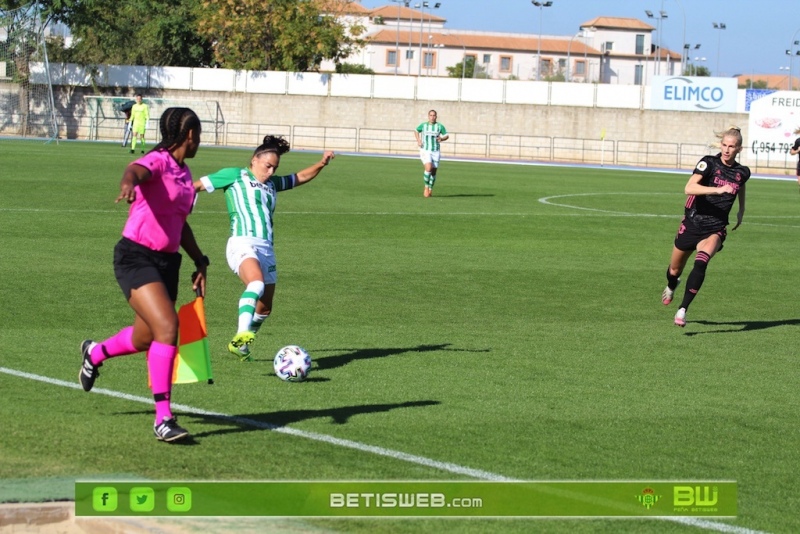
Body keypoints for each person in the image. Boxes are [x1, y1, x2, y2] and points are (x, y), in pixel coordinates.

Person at [80, 107, 208, 443]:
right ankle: (163, 419)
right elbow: (135, 169)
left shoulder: (184, 171)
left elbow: (180, 224)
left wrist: (200, 260)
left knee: (145, 338)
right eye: (199, 134)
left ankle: (94, 353)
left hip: (167, 263)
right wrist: (128, 183)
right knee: (168, 327)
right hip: (135, 257)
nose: (200, 140)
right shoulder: (159, 160)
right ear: (191, 135)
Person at [193, 136, 335, 361]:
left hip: (266, 248)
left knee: (265, 308)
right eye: (267, 166)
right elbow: (196, 186)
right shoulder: (235, 175)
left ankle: (243, 345)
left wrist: (321, 163)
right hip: (242, 241)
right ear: (254, 160)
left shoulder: (272, 184)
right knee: (256, 282)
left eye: (274, 168)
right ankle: (240, 336)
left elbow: (299, 177)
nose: (270, 171)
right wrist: (178, 201)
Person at [661, 126, 750, 327]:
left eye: (732, 146)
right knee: (674, 270)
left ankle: (682, 310)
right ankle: (672, 285)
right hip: (693, 222)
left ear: (739, 149)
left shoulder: (742, 172)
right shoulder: (708, 163)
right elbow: (688, 187)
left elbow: (740, 185)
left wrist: (741, 209)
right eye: (724, 145)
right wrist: (718, 190)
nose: (727, 150)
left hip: (716, 228)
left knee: (701, 262)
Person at [414, 109, 448, 197]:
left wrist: (442, 139)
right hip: (425, 150)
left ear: (436, 117)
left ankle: (430, 188)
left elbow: (446, 135)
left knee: (433, 172)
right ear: (428, 116)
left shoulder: (439, 126)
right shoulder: (424, 125)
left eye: (434, 115)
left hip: (435, 151)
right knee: (428, 168)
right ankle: (426, 187)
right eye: (431, 115)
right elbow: (416, 130)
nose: (432, 117)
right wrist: (418, 140)